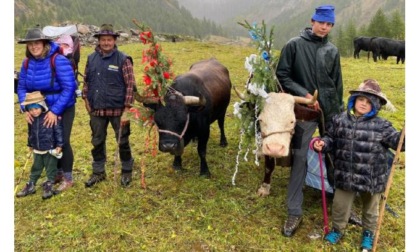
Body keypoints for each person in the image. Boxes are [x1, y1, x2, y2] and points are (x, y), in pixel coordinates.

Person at [275, 5, 344, 237]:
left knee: (336, 153)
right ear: (312, 21)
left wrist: (339, 111)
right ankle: (294, 210)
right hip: (305, 111)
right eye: (322, 22)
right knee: (301, 156)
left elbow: (337, 82)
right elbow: (282, 74)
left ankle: (341, 204)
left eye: (330, 24)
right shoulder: (294, 45)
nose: (325, 27)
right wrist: (304, 94)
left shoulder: (332, 50)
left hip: (330, 109)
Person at [313, 79, 405, 251]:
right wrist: (322, 144)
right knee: (340, 205)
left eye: (369, 102)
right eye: (361, 99)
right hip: (345, 174)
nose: (364, 104)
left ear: (376, 106)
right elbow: (330, 138)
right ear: (354, 100)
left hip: (371, 177)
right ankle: (337, 229)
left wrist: (406, 135)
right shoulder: (340, 120)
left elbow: (398, 143)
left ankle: (368, 234)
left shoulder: (382, 126)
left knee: (370, 209)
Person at [17, 27, 77, 193]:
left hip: (62, 106)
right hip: (39, 108)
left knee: (62, 140)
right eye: (30, 44)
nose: (33, 46)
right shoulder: (26, 63)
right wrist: (25, 108)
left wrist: (55, 111)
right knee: (47, 141)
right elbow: (21, 87)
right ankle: (56, 173)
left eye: (37, 43)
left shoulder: (58, 60)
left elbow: (69, 87)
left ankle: (67, 177)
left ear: (44, 43)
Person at [82, 24, 135, 188]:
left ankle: (126, 171)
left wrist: (127, 108)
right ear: (98, 41)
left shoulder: (123, 59)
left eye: (109, 40)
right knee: (97, 141)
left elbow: (130, 85)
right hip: (96, 109)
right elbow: (86, 82)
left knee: (122, 140)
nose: (106, 43)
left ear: (114, 41)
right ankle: (98, 172)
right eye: (103, 40)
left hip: (118, 109)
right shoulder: (91, 59)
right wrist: (86, 100)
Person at [16, 91, 64, 200]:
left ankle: (49, 185)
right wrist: (30, 144)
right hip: (37, 149)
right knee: (35, 168)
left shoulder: (50, 116)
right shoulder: (31, 119)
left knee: (50, 168)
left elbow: (58, 131)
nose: (34, 111)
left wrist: (59, 145)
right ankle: (31, 184)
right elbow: (30, 132)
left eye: (36, 108)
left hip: (50, 149)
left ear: (42, 106)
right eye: (31, 109)